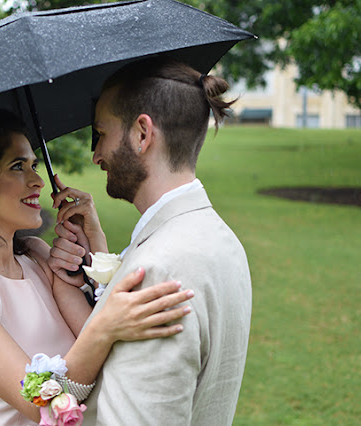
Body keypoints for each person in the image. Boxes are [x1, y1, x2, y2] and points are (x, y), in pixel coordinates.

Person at [0, 109, 195, 425]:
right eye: (17, 167)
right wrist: (105, 326)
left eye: (34, 165)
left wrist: (95, 245)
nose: (37, 181)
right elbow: (43, 403)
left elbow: (116, 356)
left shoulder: (37, 256)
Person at [48, 60, 252, 425]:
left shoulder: (159, 269)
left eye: (101, 134)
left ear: (142, 133)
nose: (96, 155)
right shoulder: (222, 239)